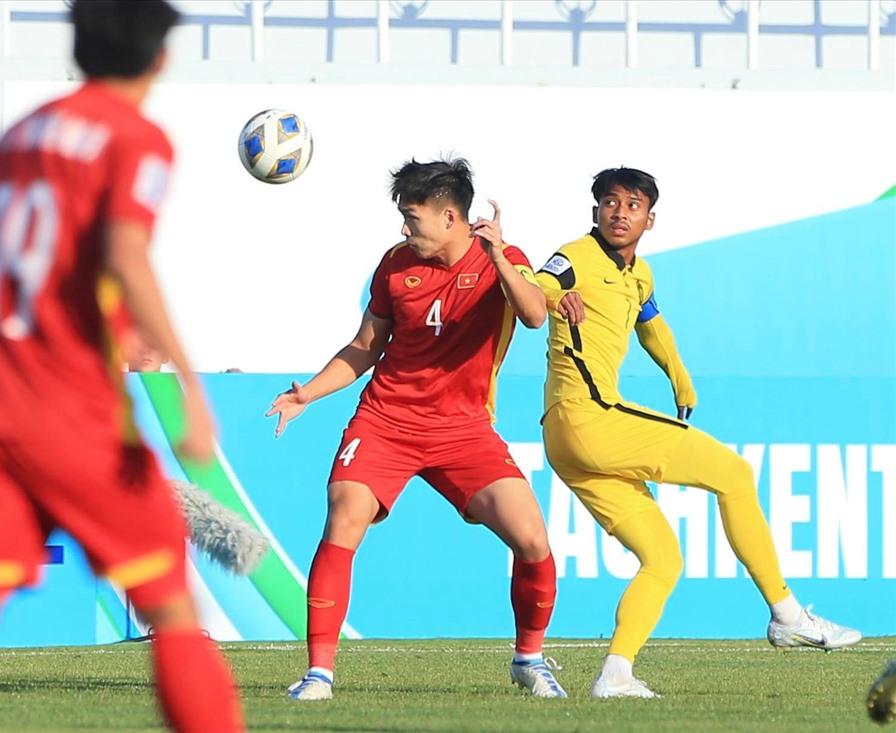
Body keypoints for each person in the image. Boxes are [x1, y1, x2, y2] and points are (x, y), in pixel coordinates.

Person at [0, 3, 244, 731]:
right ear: (160, 58)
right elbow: (126, 253)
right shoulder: (135, 137)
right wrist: (191, 390)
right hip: (72, 418)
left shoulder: (21, 133)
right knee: (172, 606)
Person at [534, 167, 862, 699]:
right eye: (610, 203)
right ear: (595, 211)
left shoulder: (640, 273)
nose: (621, 212)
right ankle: (787, 614)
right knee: (734, 473)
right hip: (589, 417)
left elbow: (650, 323)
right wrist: (552, 297)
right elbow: (535, 282)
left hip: (568, 443)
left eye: (633, 205)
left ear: (651, 218)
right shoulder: (575, 255)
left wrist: (680, 378)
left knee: (663, 558)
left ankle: (615, 674)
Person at [267, 157, 566, 701]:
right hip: (386, 421)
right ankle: (318, 674)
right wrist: (307, 393)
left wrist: (499, 256)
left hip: (464, 430)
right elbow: (364, 348)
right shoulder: (395, 265)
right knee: (344, 518)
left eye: (413, 217)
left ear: (451, 216)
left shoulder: (502, 259)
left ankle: (529, 659)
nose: (406, 228)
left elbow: (534, 316)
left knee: (532, 539)